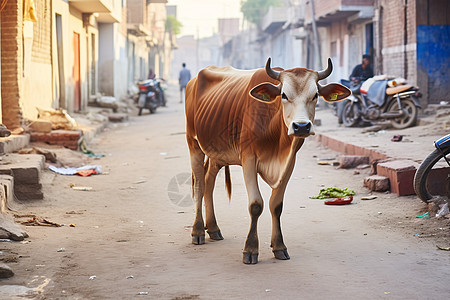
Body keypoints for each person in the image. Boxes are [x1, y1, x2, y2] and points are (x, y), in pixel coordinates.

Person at [337, 54, 374, 123]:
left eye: (369, 60)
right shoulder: (358, 68)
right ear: (363, 60)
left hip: (365, 87)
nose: (367, 62)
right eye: (366, 60)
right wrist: (354, 79)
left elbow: (371, 78)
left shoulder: (370, 70)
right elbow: (351, 77)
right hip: (356, 87)